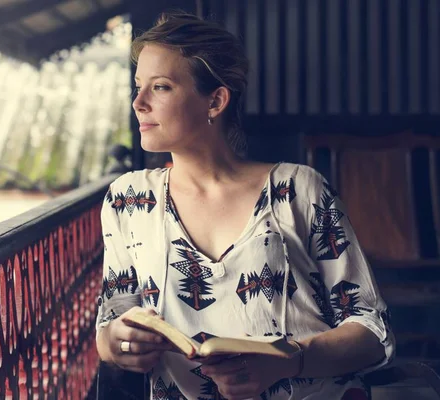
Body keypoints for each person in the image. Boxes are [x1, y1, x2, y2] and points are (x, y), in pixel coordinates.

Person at [95, 11, 394, 400]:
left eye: (161, 87)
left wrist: (290, 360)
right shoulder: (129, 201)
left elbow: (373, 329)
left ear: (215, 101)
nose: (138, 103)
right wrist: (120, 342)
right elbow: (110, 326)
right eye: (138, 87)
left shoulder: (297, 190)